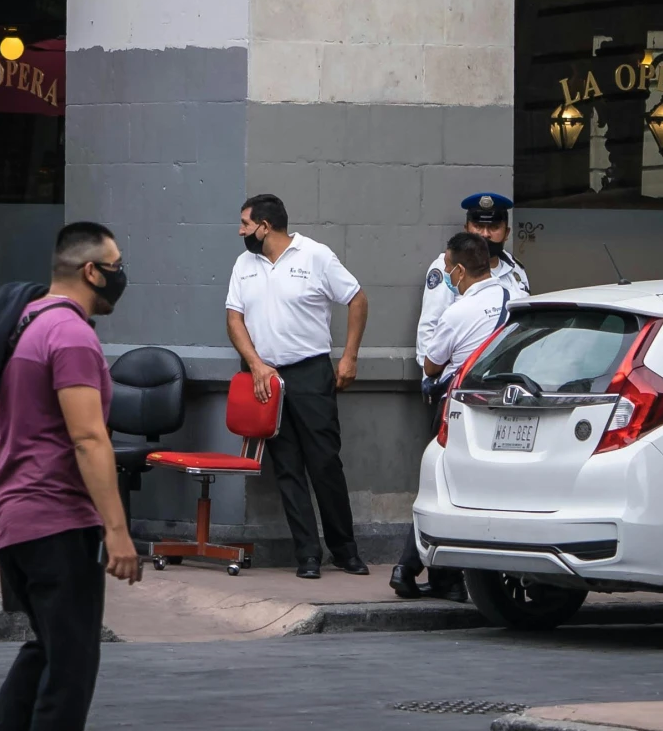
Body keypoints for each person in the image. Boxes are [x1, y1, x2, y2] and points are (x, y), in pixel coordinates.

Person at [0, 220, 142, 731]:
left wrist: (8, 483)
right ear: (91, 271)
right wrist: (117, 532)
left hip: (14, 517)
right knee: (71, 666)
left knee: (48, 646)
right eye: (116, 267)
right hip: (57, 522)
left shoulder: (22, 323)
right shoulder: (71, 335)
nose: (121, 277)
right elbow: (89, 438)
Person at [224, 192, 369, 581]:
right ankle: (307, 554)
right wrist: (256, 365)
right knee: (287, 468)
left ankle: (345, 550)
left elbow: (356, 298)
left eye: (244, 223)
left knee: (324, 464)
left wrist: (350, 356)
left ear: (265, 227)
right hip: (267, 379)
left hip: (309, 373)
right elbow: (234, 317)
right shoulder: (244, 263)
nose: (240, 231)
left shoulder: (315, 255)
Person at [393, 232, 517, 598]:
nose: (446, 275)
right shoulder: (519, 300)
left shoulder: (458, 311)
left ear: (460, 270)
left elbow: (432, 366)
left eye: (448, 268)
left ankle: (410, 567)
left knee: (443, 487)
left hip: (459, 408)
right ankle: (432, 573)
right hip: (508, 408)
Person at [414, 190, 529, 374]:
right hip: (459, 380)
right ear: (466, 229)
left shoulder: (516, 271)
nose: (485, 234)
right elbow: (430, 326)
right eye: (478, 225)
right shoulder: (447, 268)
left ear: (506, 232)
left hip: (504, 378)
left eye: (493, 227)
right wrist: (432, 380)